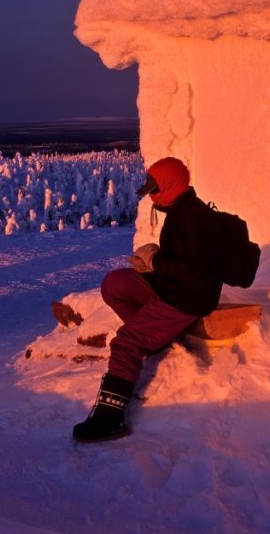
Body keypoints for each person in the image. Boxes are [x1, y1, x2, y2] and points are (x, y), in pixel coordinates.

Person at [72, 157, 224, 442]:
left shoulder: (191, 218)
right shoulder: (181, 211)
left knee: (127, 341)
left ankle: (110, 418)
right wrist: (154, 265)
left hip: (185, 299)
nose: (151, 195)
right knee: (116, 283)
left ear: (169, 186)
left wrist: (154, 261)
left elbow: (191, 273)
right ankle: (156, 338)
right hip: (172, 288)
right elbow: (184, 264)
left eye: (154, 189)